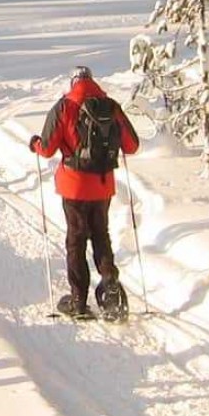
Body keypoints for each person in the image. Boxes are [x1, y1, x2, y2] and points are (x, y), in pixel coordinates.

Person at [29, 66, 137, 319]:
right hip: (103, 185)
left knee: (76, 240)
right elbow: (132, 146)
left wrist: (35, 143)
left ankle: (78, 301)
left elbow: (46, 149)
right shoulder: (111, 106)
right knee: (101, 234)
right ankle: (110, 287)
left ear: (72, 82)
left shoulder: (65, 106)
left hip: (74, 185)